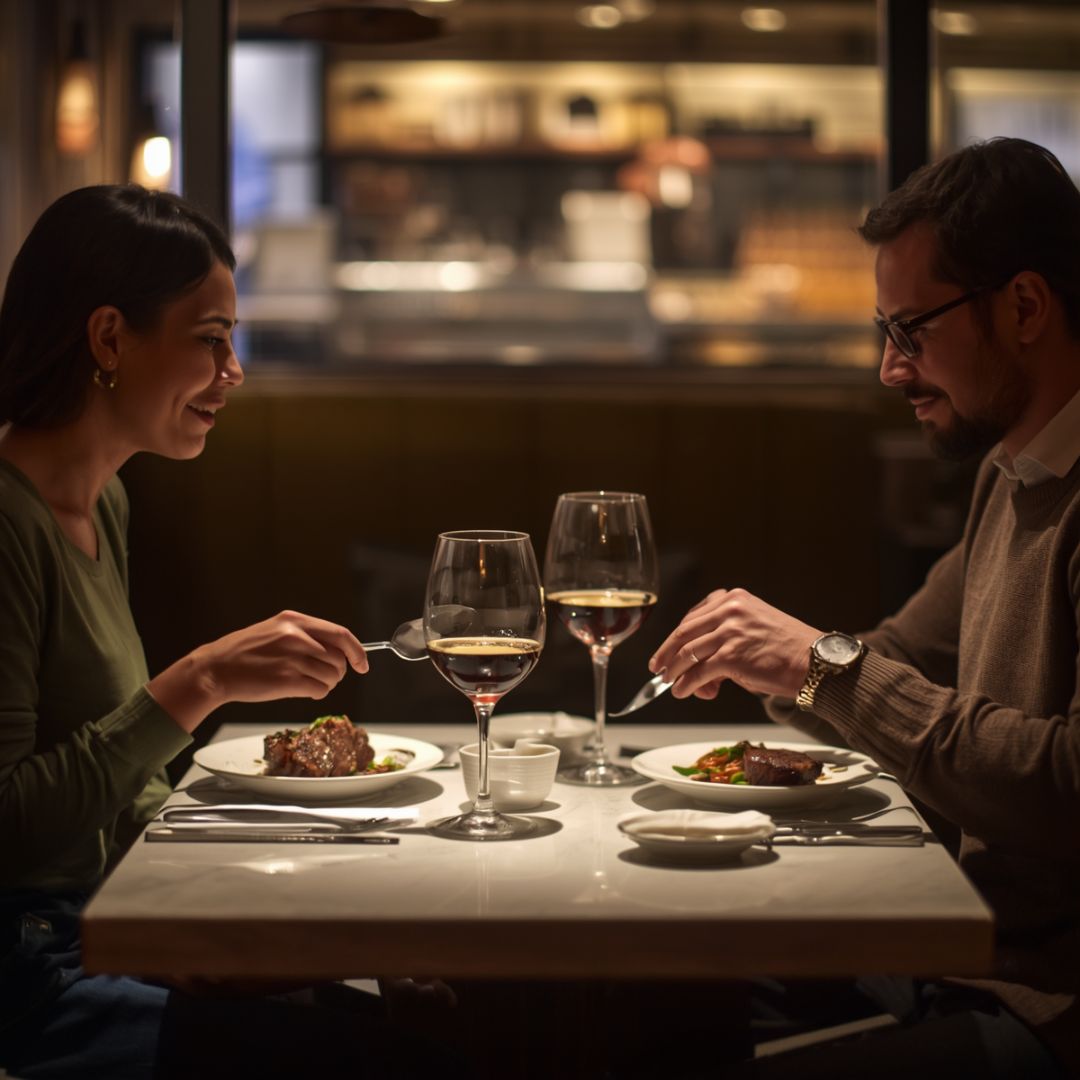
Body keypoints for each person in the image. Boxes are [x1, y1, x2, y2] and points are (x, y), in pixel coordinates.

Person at [0, 184, 457, 1079]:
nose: (233, 372)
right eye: (211, 340)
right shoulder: (7, 523)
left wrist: (223, 919)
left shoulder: (101, 503)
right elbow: (11, 829)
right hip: (30, 980)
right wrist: (198, 683)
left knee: (415, 1009)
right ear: (107, 339)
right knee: (395, 1058)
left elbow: (115, 792)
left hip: (104, 926)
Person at [650, 137, 1080, 1078]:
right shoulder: (1014, 471)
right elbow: (896, 658)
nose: (891, 371)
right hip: (960, 944)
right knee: (664, 985)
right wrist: (771, 661)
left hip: (1051, 1005)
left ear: (1024, 306)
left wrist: (821, 667)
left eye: (911, 332)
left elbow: (1065, 787)